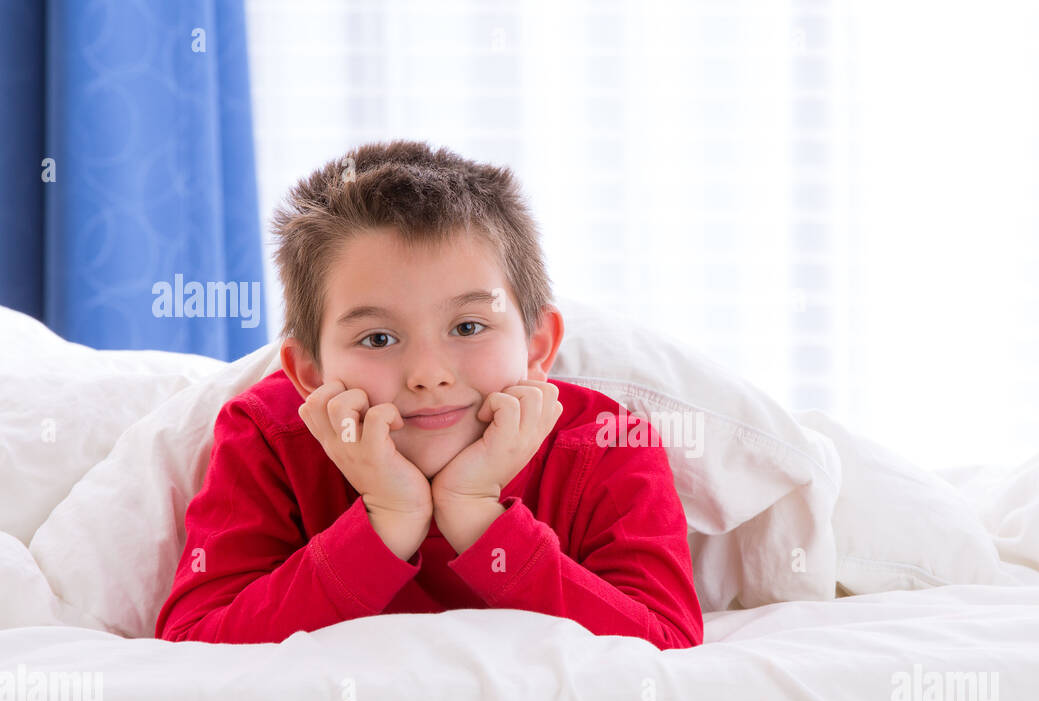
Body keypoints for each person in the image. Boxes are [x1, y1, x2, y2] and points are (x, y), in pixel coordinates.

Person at [154, 140, 703, 650]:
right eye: (378, 338)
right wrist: (387, 519)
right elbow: (195, 643)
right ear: (310, 373)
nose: (428, 375)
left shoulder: (608, 444)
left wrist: (476, 515)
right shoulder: (269, 438)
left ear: (538, 346)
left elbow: (666, 643)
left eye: (467, 327)